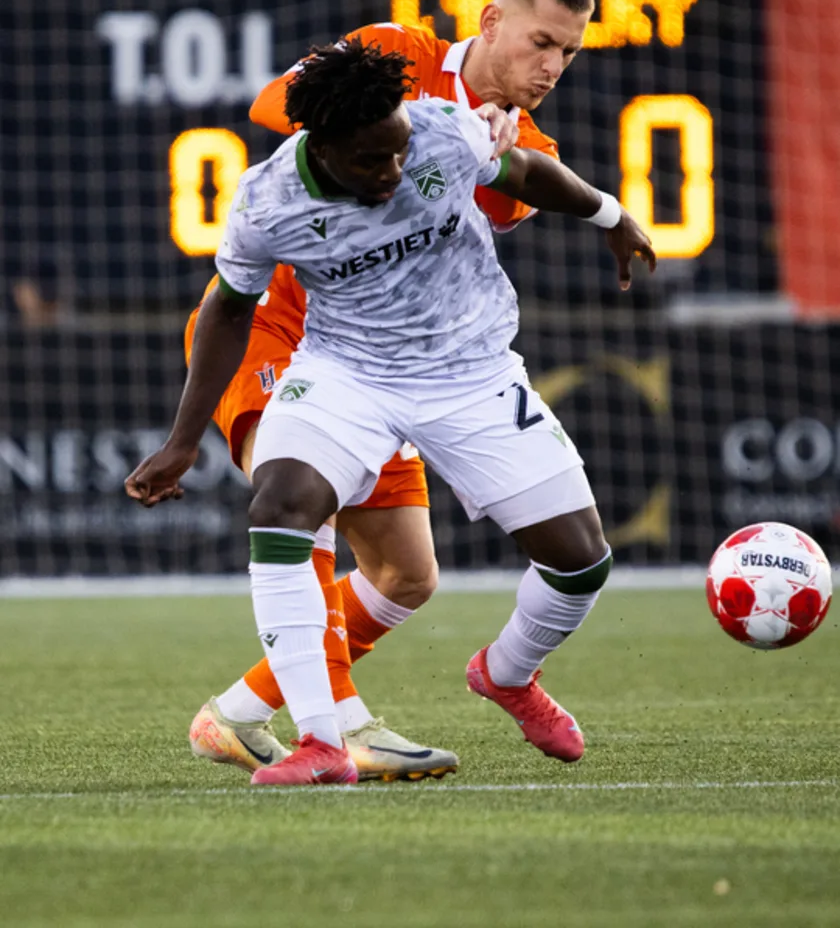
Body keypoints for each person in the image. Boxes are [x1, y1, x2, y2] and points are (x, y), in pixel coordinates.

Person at [125, 39, 655, 787]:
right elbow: (225, 312)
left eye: (399, 154)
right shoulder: (268, 201)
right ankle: (322, 741)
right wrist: (182, 442)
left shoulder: (439, 127)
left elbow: (527, 171)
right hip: (349, 374)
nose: (393, 172)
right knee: (282, 502)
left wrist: (609, 214)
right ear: (326, 146)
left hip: (470, 371)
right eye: (372, 161)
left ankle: (507, 674)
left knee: (579, 561)